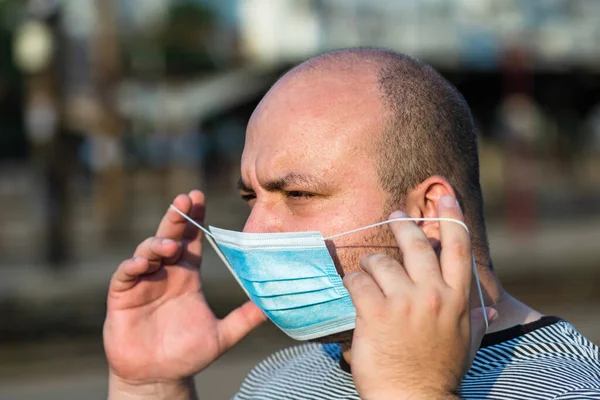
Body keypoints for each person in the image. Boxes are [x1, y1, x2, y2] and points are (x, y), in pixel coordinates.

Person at [104, 48, 600, 399]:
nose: (253, 233)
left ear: (428, 213)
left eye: (298, 194)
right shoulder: (280, 375)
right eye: (250, 197)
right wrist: (151, 386)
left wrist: (413, 393)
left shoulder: (573, 388)